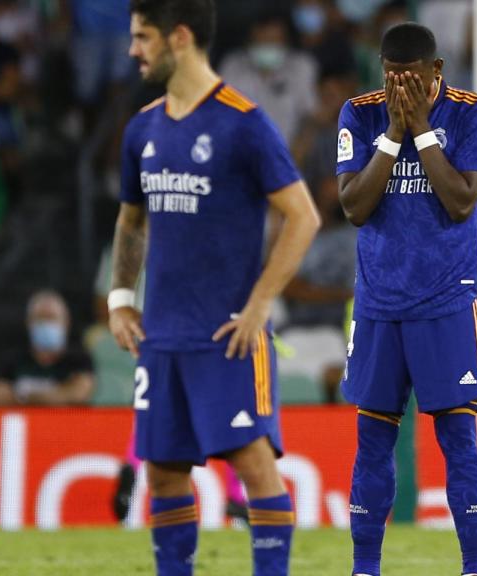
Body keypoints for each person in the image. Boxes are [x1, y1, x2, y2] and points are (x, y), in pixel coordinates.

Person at [109, 1, 320, 574]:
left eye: (143, 37)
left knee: (253, 464)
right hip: (162, 337)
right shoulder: (143, 128)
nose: (134, 50)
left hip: (228, 335)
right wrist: (121, 297)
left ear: (178, 38)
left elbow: (303, 216)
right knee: (163, 472)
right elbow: (132, 220)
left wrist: (259, 304)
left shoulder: (243, 123)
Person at [336, 22, 477, 576]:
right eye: (389, 77)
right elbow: (354, 207)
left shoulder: (474, 113)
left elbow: (459, 201)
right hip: (379, 303)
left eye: (410, 78)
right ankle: (365, 569)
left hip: (446, 301)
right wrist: (391, 135)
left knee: (457, 437)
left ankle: (473, 568)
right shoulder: (360, 113)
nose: (397, 90)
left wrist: (421, 130)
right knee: (372, 439)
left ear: (438, 72)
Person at [219, 11, 318, 144]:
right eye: (262, 41)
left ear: (285, 42)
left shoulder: (301, 66)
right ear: (250, 42)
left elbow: (310, 117)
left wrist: (295, 155)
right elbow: (221, 115)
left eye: (273, 41)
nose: (268, 46)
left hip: (289, 153)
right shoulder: (232, 66)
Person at [0, 290, 94, 406]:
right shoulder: (12, 360)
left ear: (66, 322)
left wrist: (25, 397)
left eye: (51, 318)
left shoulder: (80, 360)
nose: (46, 323)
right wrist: (59, 394)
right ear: (29, 323)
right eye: (40, 318)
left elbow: (78, 394)